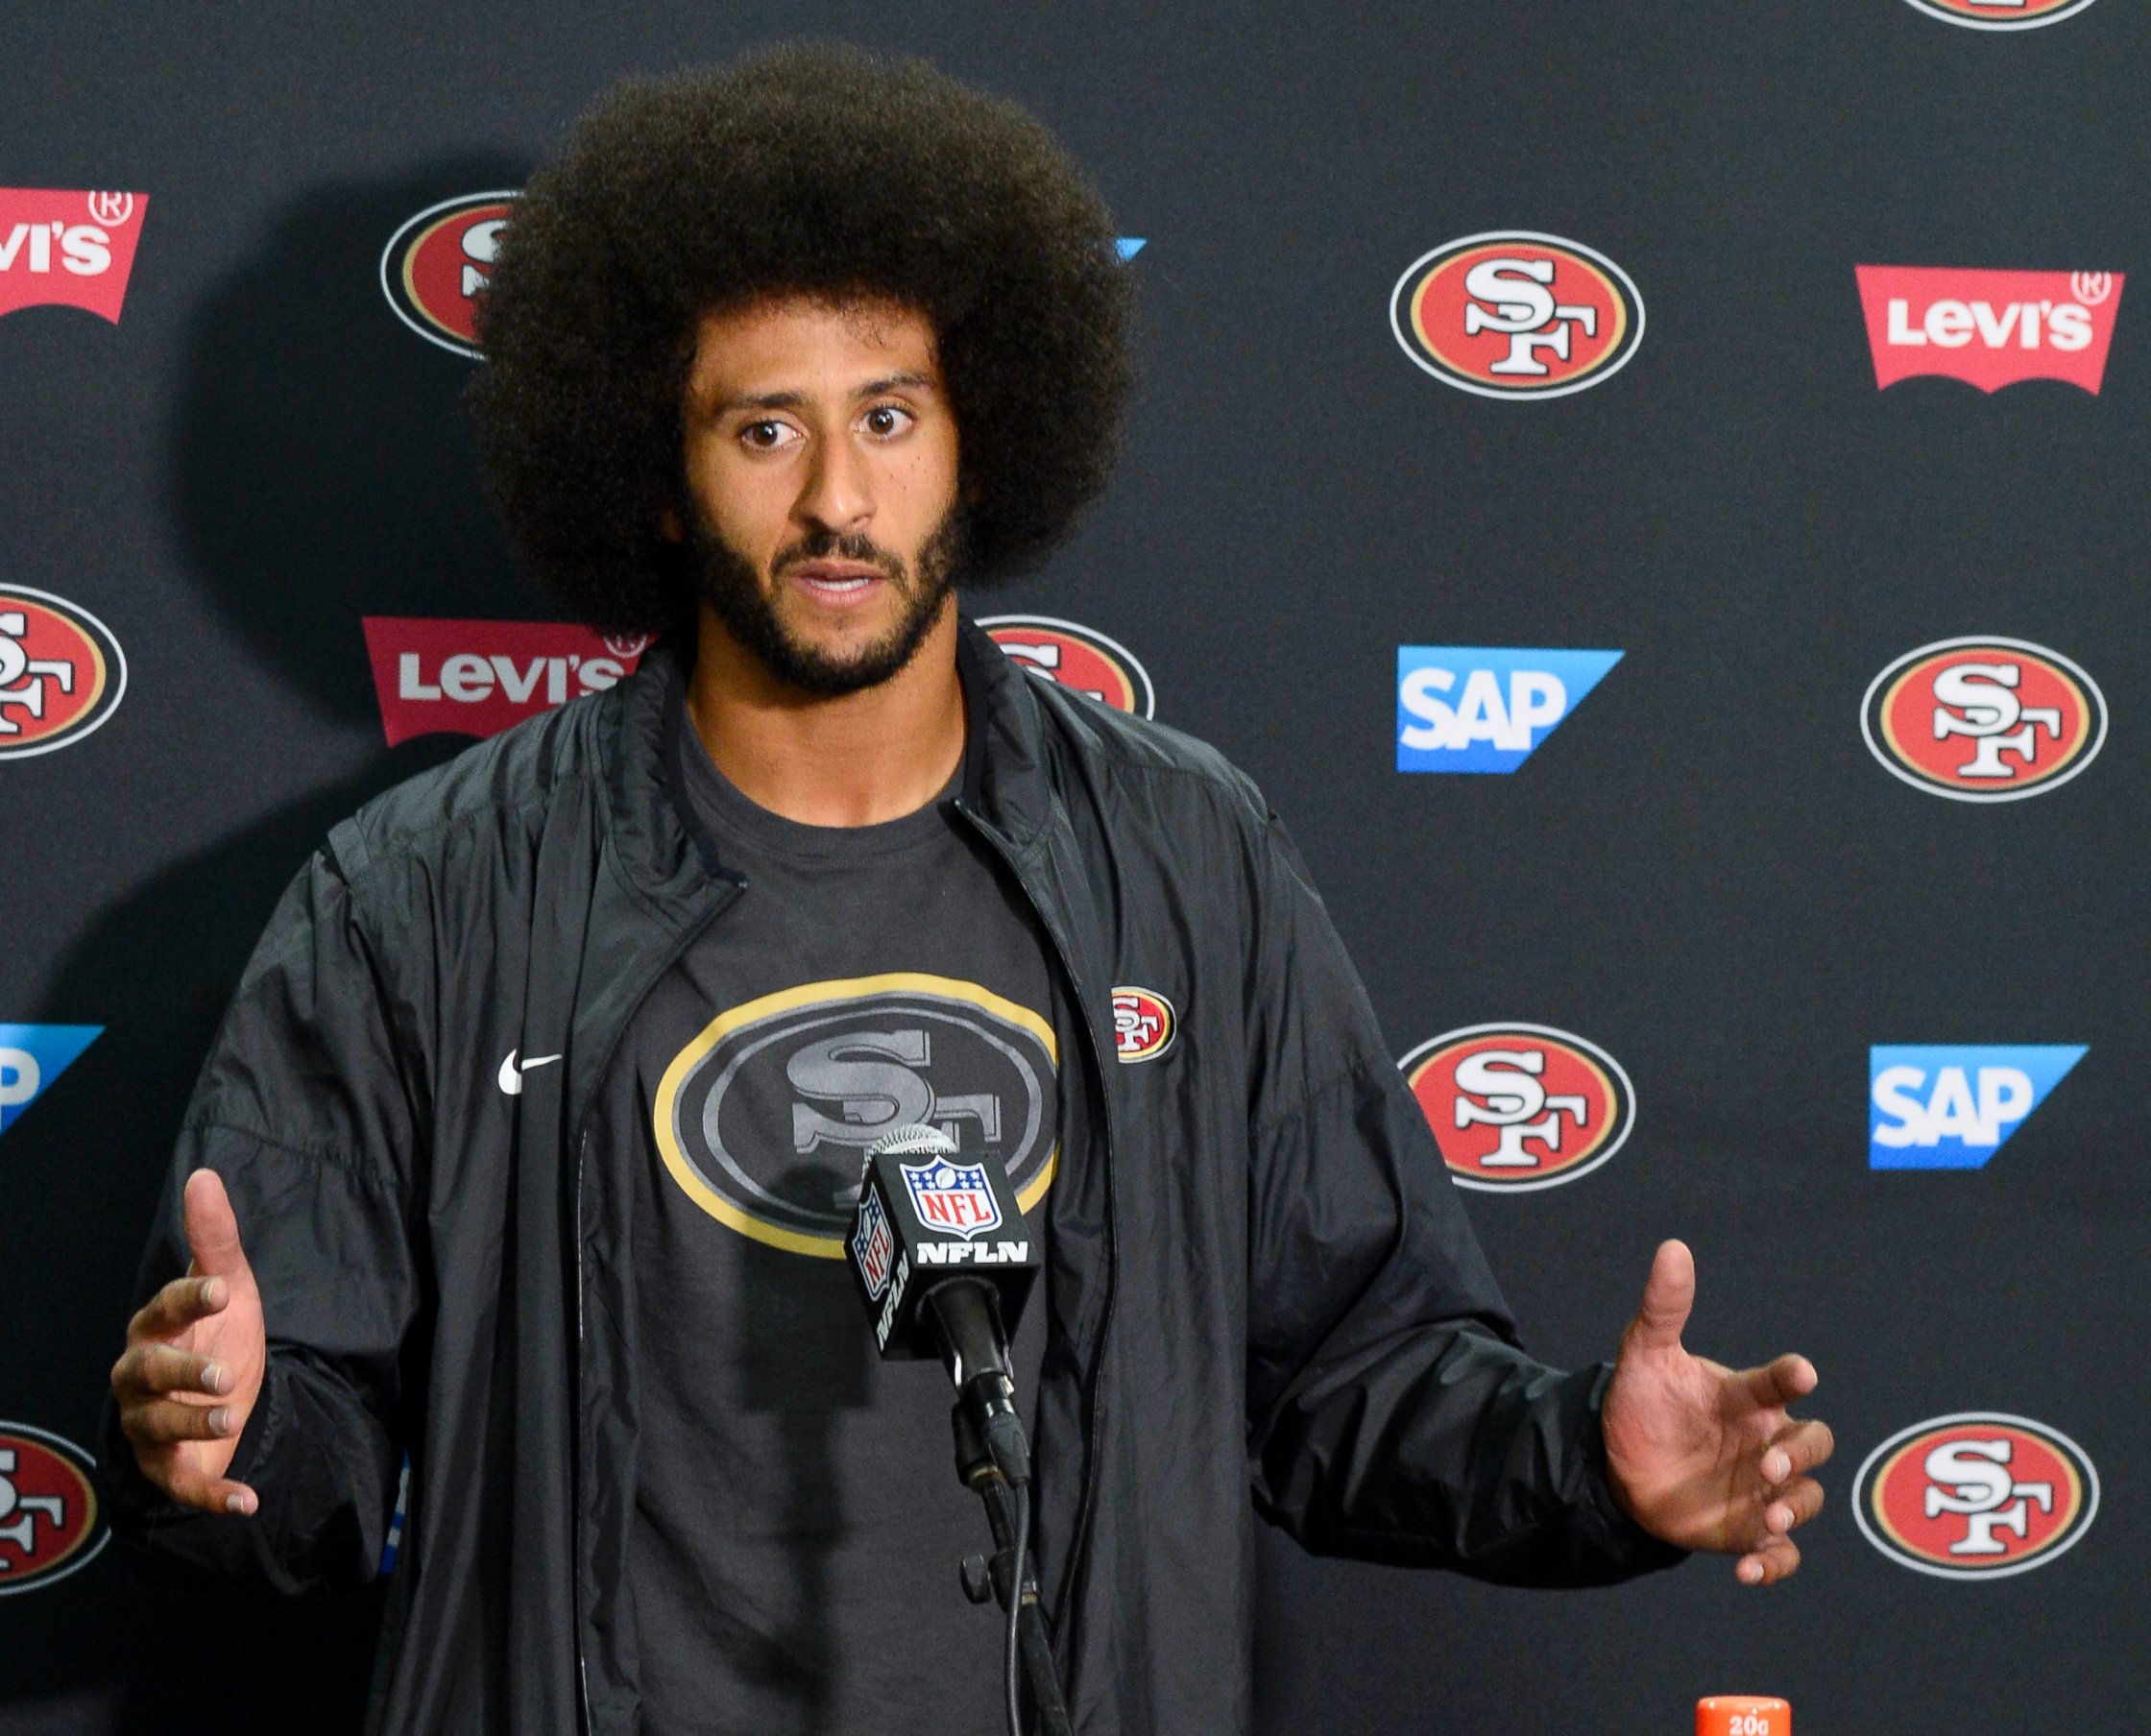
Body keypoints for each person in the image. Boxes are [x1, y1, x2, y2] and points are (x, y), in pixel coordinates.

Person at [103, 44, 1832, 1735]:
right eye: (763, 428)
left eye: (889, 416)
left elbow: (1345, 1374)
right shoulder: (430, 893)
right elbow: (302, 1438)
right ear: (656, 469)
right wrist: (229, 1440)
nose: (838, 499)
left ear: (982, 439)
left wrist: (1588, 1465)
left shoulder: (1183, 856)